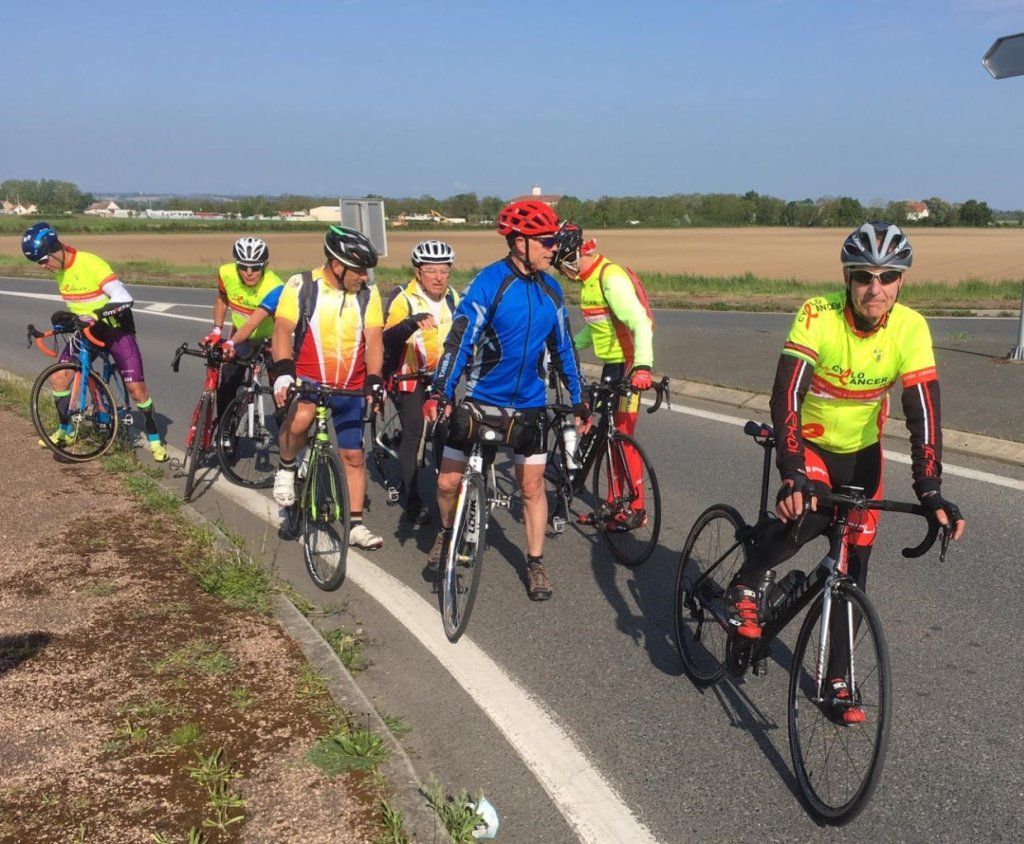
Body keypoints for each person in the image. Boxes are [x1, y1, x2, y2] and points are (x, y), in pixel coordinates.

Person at [728, 221, 965, 722]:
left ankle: (839, 678)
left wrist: (931, 489)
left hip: (862, 452)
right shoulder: (818, 315)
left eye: (887, 277)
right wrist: (792, 471)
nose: (874, 289)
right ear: (847, 278)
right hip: (809, 442)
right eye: (863, 277)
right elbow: (786, 394)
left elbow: (923, 410)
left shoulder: (912, 328)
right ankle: (747, 580)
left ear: (901, 282)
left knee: (854, 566)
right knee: (807, 516)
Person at [424, 200, 587, 600]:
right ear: (519, 242)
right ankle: (447, 534)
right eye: (545, 241)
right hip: (481, 400)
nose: (553, 248)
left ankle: (535, 564)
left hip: (529, 405)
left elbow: (564, 348)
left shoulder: (552, 289)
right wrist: (441, 390)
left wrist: (580, 401)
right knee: (447, 482)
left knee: (532, 488)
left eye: (553, 241)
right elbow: (459, 340)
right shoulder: (489, 283)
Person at [270, 226, 386, 550]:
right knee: (301, 419)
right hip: (308, 383)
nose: (365, 276)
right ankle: (287, 467)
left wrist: (375, 379)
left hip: (349, 387)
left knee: (353, 455)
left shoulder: (368, 294)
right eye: (360, 270)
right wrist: (282, 373)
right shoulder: (302, 285)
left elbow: (374, 340)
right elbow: (282, 331)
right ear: (337, 265)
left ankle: (356, 524)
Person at [22, 221, 168, 462]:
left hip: (114, 329)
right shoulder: (58, 270)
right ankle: (66, 431)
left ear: (56, 250)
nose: (43, 266)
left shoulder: (90, 263)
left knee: (136, 389)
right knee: (59, 378)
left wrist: (96, 315)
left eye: (44, 260)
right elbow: (80, 303)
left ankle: (154, 437)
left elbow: (124, 297)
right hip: (86, 331)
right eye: (38, 263)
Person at [552, 223, 655, 526]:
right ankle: (612, 502)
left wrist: (643, 367)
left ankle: (635, 508)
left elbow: (639, 322)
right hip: (613, 365)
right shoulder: (590, 280)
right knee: (604, 435)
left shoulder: (610, 278)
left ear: (571, 256)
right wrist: (566, 347)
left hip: (629, 364)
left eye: (560, 265)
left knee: (621, 436)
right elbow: (599, 327)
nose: (561, 273)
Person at [382, 240, 460, 526]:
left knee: (446, 433)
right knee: (415, 430)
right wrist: (410, 323)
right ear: (418, 273)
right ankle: (413, 501)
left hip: (442, 378)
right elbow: (386, 339)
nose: (439, 277)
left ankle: (447, 494)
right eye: (431, 271)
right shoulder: (403, 297)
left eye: (444, 271)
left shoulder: (453, 297)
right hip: (408, 375)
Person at [199, 237, 284, 420]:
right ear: (236, 264)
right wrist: (216, 331)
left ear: (265, 265)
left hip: (269, 337)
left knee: (280, 388)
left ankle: (283, 430)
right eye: (243, 267)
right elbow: (222, 299)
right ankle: (223, 428)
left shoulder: (274, 286)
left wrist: (229, 342)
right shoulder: (226, 273)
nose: (249, 272)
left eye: (255, 267)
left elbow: (253, 322)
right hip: (240, 335)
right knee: (228, 381)